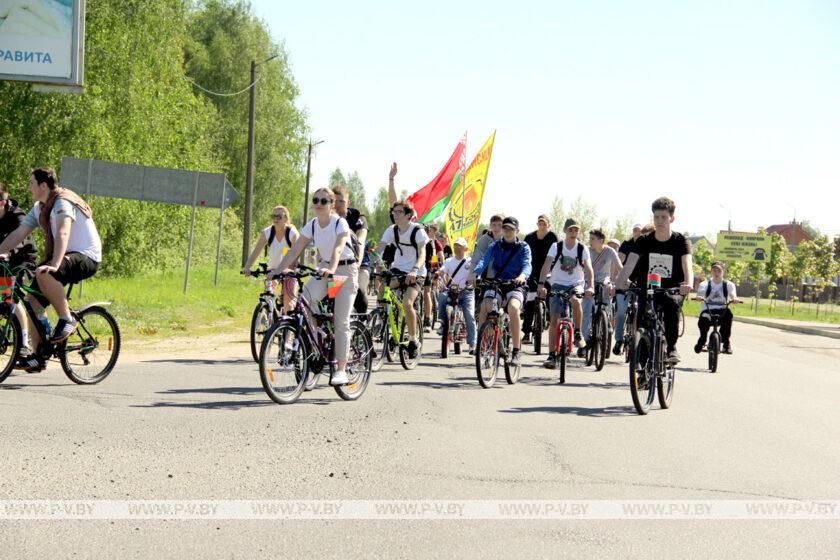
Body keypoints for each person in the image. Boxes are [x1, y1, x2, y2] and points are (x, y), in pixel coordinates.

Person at [0, 168, 102, 372]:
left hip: (85, 255)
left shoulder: (62, 202)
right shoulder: (40, 208)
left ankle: (67, 319)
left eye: (31, 183)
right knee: (33, 301)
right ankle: (40, 355)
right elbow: (18, 234)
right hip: (65, 256)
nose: (29, 187)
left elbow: (63, 232)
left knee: (44, 273)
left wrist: (55, 263)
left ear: (43, 185)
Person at [274, 187, 359, 386]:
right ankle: (316, 342)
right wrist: (277, 270)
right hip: (325, 269)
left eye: (323, 201)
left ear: (331, 205)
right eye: (316, 200)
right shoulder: (312, 225)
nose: (318, 204)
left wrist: (331, 267)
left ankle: (341, 369)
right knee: (304, 301)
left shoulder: (340, 222)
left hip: (344, 271)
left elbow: (339, 247)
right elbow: (295, 249)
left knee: (341, 321)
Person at [615, 197, 693, 365]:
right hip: (648, 288)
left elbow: (687, 265)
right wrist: (618, 284)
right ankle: (642, 370)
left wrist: (688, 283)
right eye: (656, 217)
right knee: (643, 323)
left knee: (671, 309)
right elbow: (629, 265)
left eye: (664, 217)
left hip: (673, 288)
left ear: (672, 218)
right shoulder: (644, 241)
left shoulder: (680, 241)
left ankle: (671, 348)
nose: (660, 221)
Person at [469, 217, 531, 368]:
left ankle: (516, 351)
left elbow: (527, 265)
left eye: (511, 229)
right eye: (505, 228)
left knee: (513, 308)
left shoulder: (523, 247)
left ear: (517, 231)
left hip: (516, 284)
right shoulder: (495, 245)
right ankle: (484, 345)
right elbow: (484, 260)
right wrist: (476, 273)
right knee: (485, 306)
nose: (508, 232)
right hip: (497, 282)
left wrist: (523, 276)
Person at [373, 199, 429, 359]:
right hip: (398, 267)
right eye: (394, 212)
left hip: (417, 272)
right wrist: (375, 261)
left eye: (399, 212)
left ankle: (413, 340)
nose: (395, 215)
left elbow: (422, 254)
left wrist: (415, 270)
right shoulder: (392, 230)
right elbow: (381, 248)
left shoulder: (418, 231)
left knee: (407, 303)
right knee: (383, 288)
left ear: (409, 215)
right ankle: (381, 319)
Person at [537, 218, 595, 368]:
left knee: (576, 301)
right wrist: (541, 284)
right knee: (554, 320)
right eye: (570, 230)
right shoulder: (556, 247)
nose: (573, 233)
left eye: (576, 230)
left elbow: (588, 269)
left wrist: (591, 287)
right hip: (557, 284)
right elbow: (546, 265)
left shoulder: (582, 248)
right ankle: (551, 356)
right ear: (565, 231)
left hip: (576, 283)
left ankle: (577, 332)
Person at [0, 182, 38, 360]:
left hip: (23, 259)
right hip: (3, 259)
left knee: (11, 297)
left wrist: (8, 252)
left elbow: (19, 240)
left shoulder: (18, 216)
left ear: (2, 202)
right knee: (4, 294)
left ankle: (23, 343)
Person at [242, 205, 300, 312]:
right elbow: (256, 251)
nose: (275, 219)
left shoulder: (292, 233)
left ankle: (286, 326)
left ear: (286, 219)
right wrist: (247, 267)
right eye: (273, 216)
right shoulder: (268, 232)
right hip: (272, 271)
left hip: (289, 271)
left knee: (288, 303)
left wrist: (289, 269)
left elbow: (296, 254)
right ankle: (270, 319)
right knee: (268, 295)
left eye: (279, 216)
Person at [581, 228, 622, 356]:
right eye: (590, 238)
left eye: (593, 239)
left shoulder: (610, 251)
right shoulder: (587, 251)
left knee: (608, 293)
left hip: (604, 282)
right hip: (589, 283)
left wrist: (627, 280)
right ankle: (585, 340)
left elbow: (620, 266)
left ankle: (606, 321)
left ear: (601, 241)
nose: (590, 241)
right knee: (586, 309)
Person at [332, 184, 369, 314]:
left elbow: (361, 240)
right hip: (337, 265)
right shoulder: (328, 218)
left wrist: (357, 262)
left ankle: (362, 325)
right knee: (331, 296)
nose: (337, 205)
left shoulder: (358, 217)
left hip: (360, 264)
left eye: (341, 201)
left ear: (348, 202)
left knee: (360, 291)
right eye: (334, 201)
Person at [522, 214, 559, 345]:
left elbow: (557, 255)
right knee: (530, 300)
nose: (542, 225)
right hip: (532, 272)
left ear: (549, 225)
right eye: (540, 223)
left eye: (544, 223)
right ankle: (526, 332)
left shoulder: (553, 238)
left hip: (549, 272)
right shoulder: (529, 237)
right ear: (537, 224)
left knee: (550, 293)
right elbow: (524, 254)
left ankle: (549, 316)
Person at [436, 237, 476, 352]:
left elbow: (476, 274)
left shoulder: (470, 262)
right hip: (452, 291)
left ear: (465, 248)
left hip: (466, 292)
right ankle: (443, 322)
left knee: (469, 315)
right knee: (442, 296)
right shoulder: (449, 261)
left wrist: (475, 279)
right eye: (455, 246)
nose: (457, 248)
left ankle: (472, 344)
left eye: (460, 246)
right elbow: (443, 269)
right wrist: (438, 273)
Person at [693, 261, 741, 354]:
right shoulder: (705, 284)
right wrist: (699, 297)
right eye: (714, 270)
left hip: (722, 311)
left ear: (723, 271)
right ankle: (702, 341)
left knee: (728, 315)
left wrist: (734, 299)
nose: (716, 273)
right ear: (711, 271)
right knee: (703, 320)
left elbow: (732, 294)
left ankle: (726, 344)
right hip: (708, 311)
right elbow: (701, 293)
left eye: (719, 270)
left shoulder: (728, 284)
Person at [613, 223, 645, 355]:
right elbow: (619, 260)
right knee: (621, 311)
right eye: (635, 230)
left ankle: (639, 340)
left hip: (640, 282)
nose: (637, 233)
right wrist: (619, 278)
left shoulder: (646, 244)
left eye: (639, 231)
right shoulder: (627, 244)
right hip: (625, 280)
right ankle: (619, 340)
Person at [422, 222, 444, 332]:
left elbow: (436, 257)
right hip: (416, 268)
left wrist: (436, 270)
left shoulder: (433, 243)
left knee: (427, 292)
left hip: (428, 268)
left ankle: (427, 319)